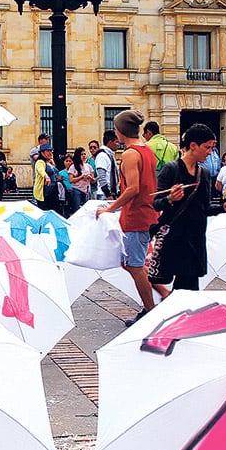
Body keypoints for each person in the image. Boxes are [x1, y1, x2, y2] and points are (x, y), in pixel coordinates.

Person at [151, 123, 226, 292]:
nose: (210, 152)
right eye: (207, 147)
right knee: (185, 290)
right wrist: (170, 198)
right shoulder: (171, 169)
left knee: (187, 288)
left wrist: (223, 207)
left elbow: (204, 207)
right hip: (176, 238)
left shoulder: (204, 173)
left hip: (196, 238)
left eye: (212, 147)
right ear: (193, 145)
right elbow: (156, 203)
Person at [96, 110, 159, 326]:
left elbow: (133, 188)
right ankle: (153, 303)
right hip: (145, 213)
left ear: (121, 131)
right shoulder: (146, 150)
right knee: (132, 263)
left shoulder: (131, 154)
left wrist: (110, 208)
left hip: (137, 215)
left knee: (133, 265)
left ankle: (151, 310)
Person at [94, 129, 120, 200]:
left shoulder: (109, 155)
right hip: (105, 195)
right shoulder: (102, 155)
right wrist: (108, 194)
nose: (118, 145)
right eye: (117, 142)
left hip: (110, 194)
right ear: (110, 142)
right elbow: (101, 176)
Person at [33, 143, 57, 210]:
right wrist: (46, 177)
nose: (50, 153)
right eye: (47, 151)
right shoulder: (40, 162)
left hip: (52, 191)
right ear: (42, 153)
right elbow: (41, 170)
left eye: (51, 151)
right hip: (44, 192)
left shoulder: (49, 163)